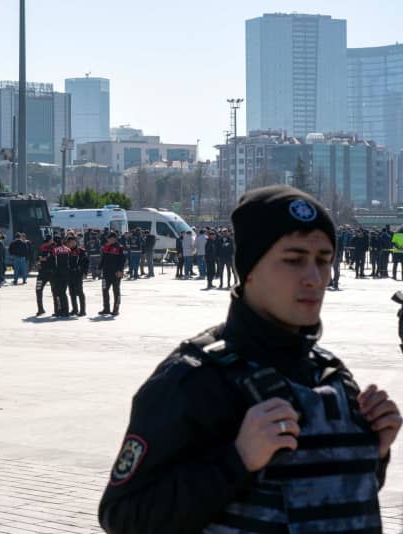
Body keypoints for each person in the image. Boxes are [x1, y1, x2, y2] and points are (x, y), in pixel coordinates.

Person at [98, 185, 401, 533]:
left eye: (324, 260)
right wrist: (236, 461)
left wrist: (373, 452)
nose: (315, 279)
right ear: (249, 269)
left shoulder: (331, 375)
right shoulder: (194, 379)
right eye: (294, 260)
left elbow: (327, 505)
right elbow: (122, 516)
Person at [99, 232, 125, 316]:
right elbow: (103, 259)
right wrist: (99, 268)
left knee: (116, 291)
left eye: (111, 239)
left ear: (115, 239)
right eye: (109, 239)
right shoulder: (105, 247)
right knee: (104, 290)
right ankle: (106, 308)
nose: (109, 240)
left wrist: (120, 270)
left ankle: (116, 309)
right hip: (105, 273)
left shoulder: (120, 248)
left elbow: (122, 260)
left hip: (116, 274)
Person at [48, 237, 72, 317]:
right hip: (66, 273)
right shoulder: (67, 249)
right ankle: (66, 311)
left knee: (57, 293)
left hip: (57, 274)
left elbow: (52, 262)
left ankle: (58, 310)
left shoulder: (54, 250)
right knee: (63, 293)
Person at [67, 235, 88, 316]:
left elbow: (86, 262)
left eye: (73, 242)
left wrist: (85, 272)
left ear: (76, 242)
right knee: (71, 292)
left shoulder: (80, 251)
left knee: (79, 292)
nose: (71, 243)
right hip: (69, 274)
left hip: (78, 274)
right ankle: (75, 309)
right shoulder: (66, 251)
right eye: (70, 242)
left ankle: (83, 310)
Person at [35, 235, 55, 316]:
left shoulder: (42, 248)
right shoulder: (50, 248)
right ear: (50, 241)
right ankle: (41, 309)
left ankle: (41, 309)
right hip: (47, 273)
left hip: (44, 273)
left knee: (39, 290)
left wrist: (41, 259)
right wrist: (42, 259)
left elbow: (40, 259)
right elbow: (39, 259)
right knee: (53, 291)